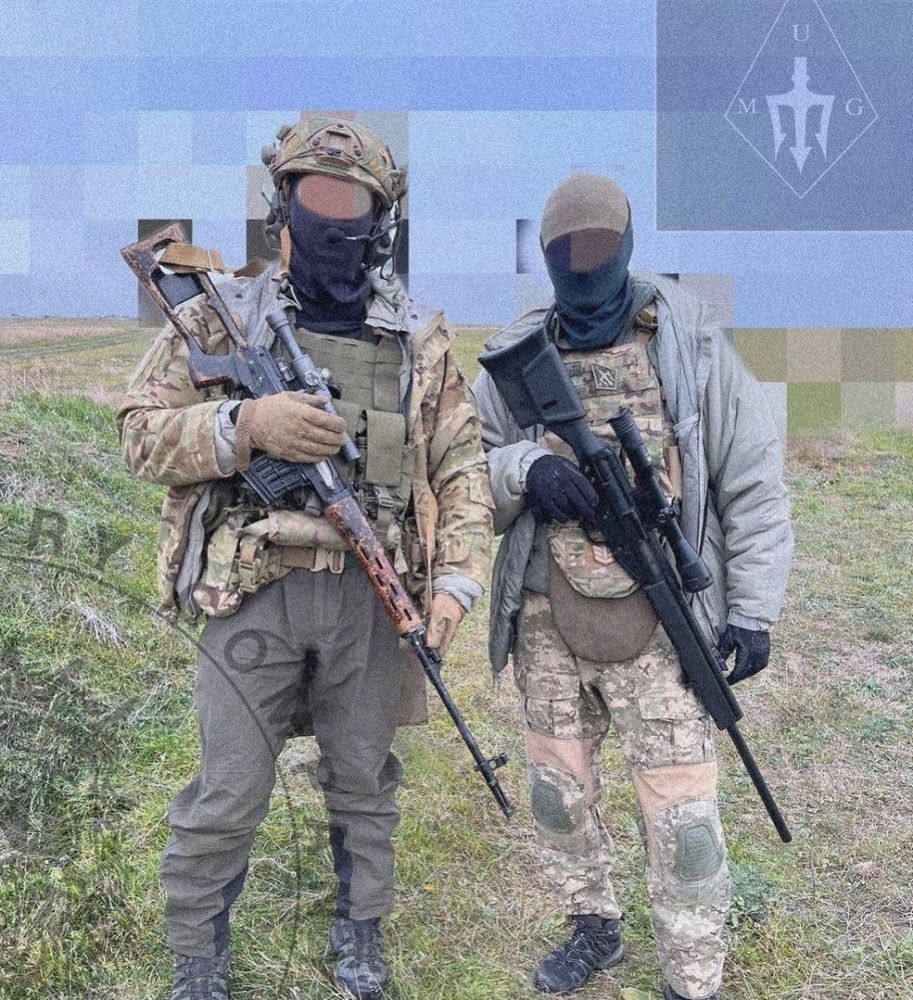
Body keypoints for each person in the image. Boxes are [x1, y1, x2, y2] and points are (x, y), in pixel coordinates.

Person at [117, 114, 493, 1000]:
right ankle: (198, 959)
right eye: (312, 200)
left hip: (371, 595)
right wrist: (242, 425)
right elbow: (137, 436)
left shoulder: (419, 341)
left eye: (349, 205)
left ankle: (359, 933)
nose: (331, 221)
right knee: (230, 789)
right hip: (251, 589)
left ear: (381, 220)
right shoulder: (220, 316)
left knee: (363, 781)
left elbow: (463, 468)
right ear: (281, 209)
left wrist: (456, 582)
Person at [473, 173, 792, 1000]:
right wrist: (526, 467)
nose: (581, 273)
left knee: (683, 821)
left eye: (597, 254)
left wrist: (751, 609)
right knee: (557, 793)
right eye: (564, 259)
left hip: (662, 613)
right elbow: (465, 469)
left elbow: (753, 482)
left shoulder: (692, 343)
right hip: (547, 612)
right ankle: (593, 926)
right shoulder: (516, 354)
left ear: (626, 248)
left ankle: (692, 974)